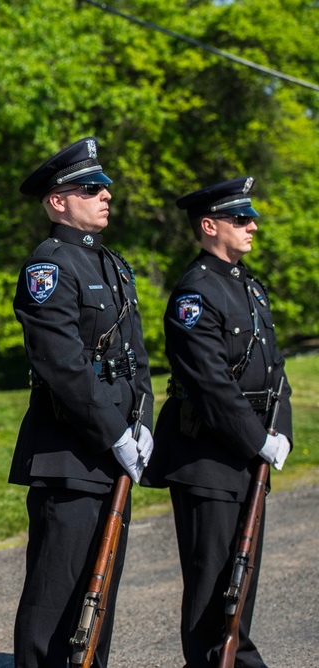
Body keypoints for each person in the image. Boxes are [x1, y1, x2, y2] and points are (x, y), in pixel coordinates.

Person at [9, 136, 154, 667]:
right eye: (90, 188)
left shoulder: (114, 266)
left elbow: (137, 360)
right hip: (69, 455)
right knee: (57, 600)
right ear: (57, 201)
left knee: (99, 600)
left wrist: (143, 424)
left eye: (105, 187)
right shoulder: (47, 267)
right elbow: (63, 365)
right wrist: (115, 432)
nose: (104, 196)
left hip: (116, 453)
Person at [149, 177, 292, 668]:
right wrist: (258, 440)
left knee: (241, 577)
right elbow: (210, 383)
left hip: (248, 453)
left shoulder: (249, 286)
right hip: (207, 457)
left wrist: (280, 432)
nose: (252, 225)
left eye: (249, 217)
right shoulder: (196, 293)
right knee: (213, 587)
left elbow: (275, 370)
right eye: (239, 218)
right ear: (209, 227)